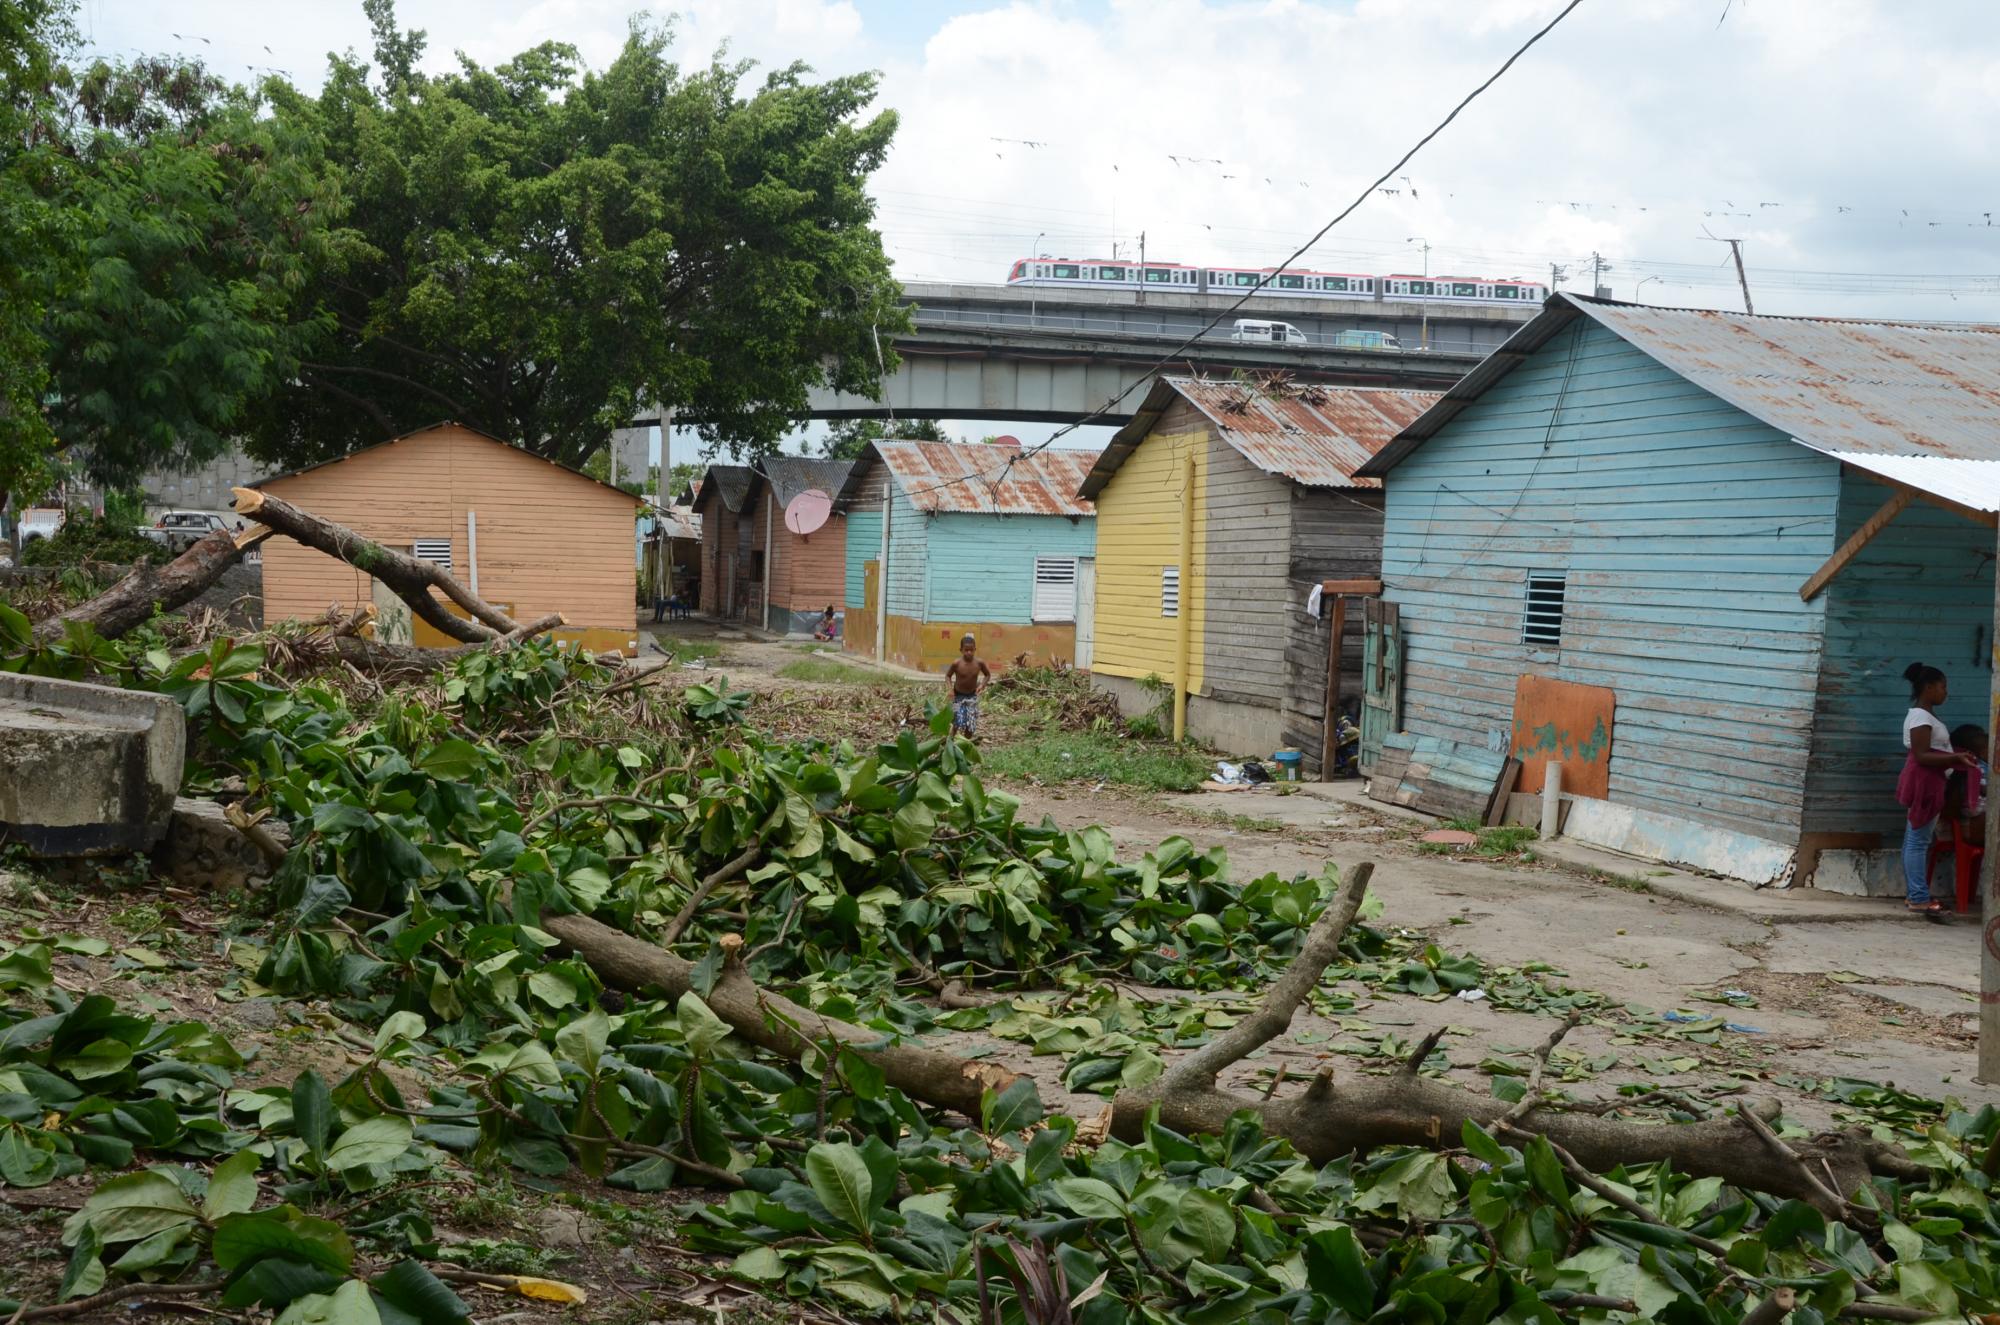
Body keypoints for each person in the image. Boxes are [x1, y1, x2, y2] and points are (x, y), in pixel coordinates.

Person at [1897, 663, 1979, 915]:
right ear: (1929, 687)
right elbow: (1922, 755)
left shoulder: (1925, 716)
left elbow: (1933, 751)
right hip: (1925, 782)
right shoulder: (1921, 717)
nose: (1946, 692)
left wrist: (1956, 756)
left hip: (1930, 781)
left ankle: (1916, 894)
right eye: (1943, 686)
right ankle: (1919, 897)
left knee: (1915, 839)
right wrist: (1955, 759)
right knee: (1918, 841)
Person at [944, 634, 990, 738]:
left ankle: (965, 743)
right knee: (957, 721)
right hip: (958, 696)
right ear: (961, 650)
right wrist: (950, 690)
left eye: (971, 650)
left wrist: (982, 685)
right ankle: (951, 739)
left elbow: (987, 675)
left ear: (975, 649)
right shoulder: (957, 663)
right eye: (966, 650)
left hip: (972, 696)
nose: (969, 652)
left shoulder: (979, 663)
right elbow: (947, 676)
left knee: (971, 723)